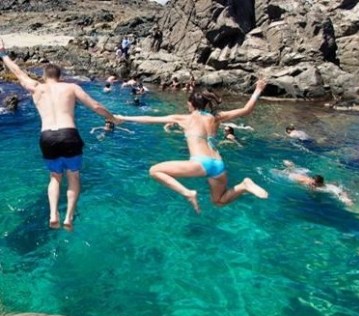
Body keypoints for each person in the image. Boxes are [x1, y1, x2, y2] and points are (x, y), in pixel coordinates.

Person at [0, 39, 119, 231]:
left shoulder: (36, 88)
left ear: (45, 76)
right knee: (74, 176)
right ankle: (69, 217)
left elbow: (18, 72)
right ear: (60, 76)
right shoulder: (71, 87)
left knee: (55, 177)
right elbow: (96, 106)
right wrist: (112, 118)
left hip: (47, 137)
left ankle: (53, 213)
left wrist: (3, 54)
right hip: (69, 134)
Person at [114, 80, 269, 213]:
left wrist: (123, 117)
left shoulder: (184, 119)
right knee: (219, 201)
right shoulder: (216, 117)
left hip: (201, 163)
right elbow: (246, 110)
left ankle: (188, 193)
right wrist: (258, 90)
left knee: (154, 171)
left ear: (191, 104)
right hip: (218, 165)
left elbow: (150, 118)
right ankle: (244, 185)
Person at [282, 160, 354, 206]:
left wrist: (346, 199)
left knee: (295, 172)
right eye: (312, 183)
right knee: (290, 172)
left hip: (302, 176)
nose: (312, 184)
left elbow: (339, 191)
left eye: (314, 183)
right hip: (296, 176)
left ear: (320, 183)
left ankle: (291, 166)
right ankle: (290, 166)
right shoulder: (307, 182)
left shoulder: (328, 186)